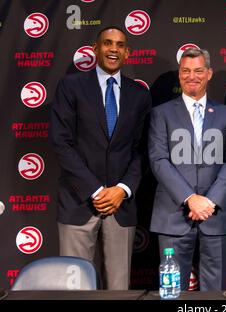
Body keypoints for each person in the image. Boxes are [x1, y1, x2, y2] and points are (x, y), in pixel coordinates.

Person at [50, 26, 152, 290]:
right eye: (107, 43)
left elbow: (141, 149)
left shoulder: (139, 95)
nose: (113, 49)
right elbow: (61, 143)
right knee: (75, 289)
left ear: (127, 53)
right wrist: (95, 190)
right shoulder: (71, 86)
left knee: (119, 289)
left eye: (120, 45)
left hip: (121, 206)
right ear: (95, 48)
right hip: (78, 201)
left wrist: (122, 190)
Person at [149, 48, 226, 291]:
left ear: (209, 73)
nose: (192, 76)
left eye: (199, 70)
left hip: (215, 215)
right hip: (173, 215)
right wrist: (190, 199)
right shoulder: (161, 113)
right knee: (172, 290)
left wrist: (209, 202)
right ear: (179, 75)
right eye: (186, 71)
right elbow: (158, 159)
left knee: (216, 291)